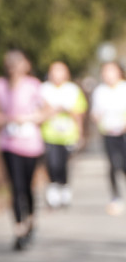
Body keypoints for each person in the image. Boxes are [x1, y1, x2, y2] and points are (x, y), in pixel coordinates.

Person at [0, 49, 50, 250]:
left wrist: (29, 119)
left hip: (30, 144)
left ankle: (30, 220)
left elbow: (47, 110)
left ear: (25, 65)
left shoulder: (33, 85)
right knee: (16, 186)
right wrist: (4, 119)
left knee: (27, 186)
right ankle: (19, 229)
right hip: (8, 143)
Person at [39, 61, 88, 208]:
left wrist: (80, 133)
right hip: (49, 133)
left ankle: (64, 186)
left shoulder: (72, 90)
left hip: (68, 134)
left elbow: (79, 112)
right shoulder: (43, 89)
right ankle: (53, 188)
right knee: (52, 163)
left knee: (63, 163)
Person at [91, 60, 126, 215]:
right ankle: (115, 197)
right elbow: (95, 112)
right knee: (112, 164)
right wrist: (99, 120)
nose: (108, 75)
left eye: (111, 70)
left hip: (124, 132)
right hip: (108, 133)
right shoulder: (100, 91)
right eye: (105, 71)